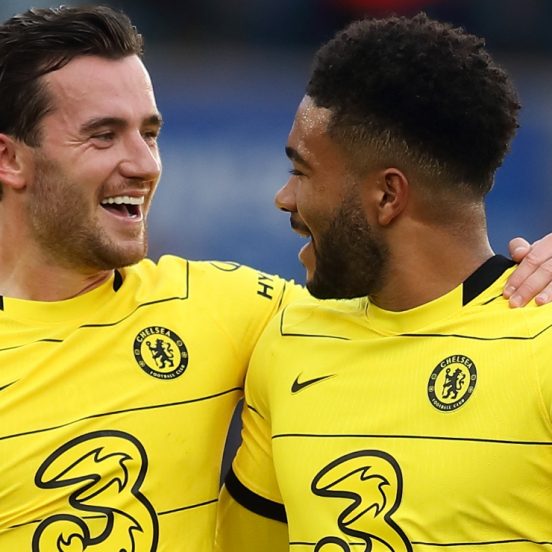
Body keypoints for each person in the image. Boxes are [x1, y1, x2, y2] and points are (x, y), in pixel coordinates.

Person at [0, 5, 549, 551]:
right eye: (102, 136)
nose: (145, 164)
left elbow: (420, 301)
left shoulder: (236, 311)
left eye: (150, 133)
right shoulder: (281, 333)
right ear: (10, 158)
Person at [216, 13, 552, 551]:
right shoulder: (288, 341)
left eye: (301, 172)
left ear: (388, 196)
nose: (284, 198)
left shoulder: (541, 346)